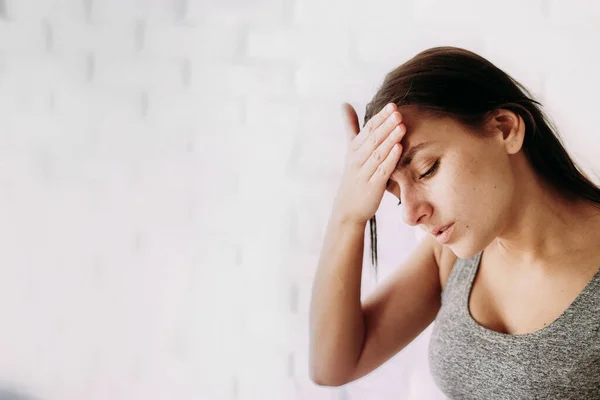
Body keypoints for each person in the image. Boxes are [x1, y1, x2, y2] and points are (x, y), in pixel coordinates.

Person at [309, 46, 600, 398]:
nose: (410, 213)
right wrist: (347, 215)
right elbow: (333, 366)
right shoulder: (452, 257)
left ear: (504, 128)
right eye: (396, 192)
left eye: (427, 169)